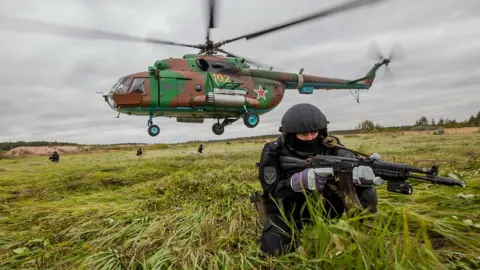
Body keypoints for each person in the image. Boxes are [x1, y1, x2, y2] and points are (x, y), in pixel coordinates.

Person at [255, 103, 381, 256]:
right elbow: (271, 192)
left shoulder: (330, 145)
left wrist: (365, 168)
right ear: (290, 135)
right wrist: (295, 182)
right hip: (289, 210)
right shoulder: (273, 151)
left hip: (327, 208)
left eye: (313, 133)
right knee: (274, 251)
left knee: (367, 191)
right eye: (303, 135)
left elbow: (347, 158)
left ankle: (364, 234)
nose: (309, 138)